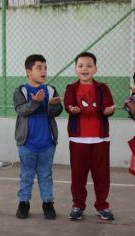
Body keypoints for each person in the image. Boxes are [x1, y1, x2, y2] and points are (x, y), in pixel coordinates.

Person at [65, 52, 115, 221]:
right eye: (80, 66)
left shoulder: (103, 88)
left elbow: (108, 106)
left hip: (100, 139)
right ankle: (78, 205)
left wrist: (109, 110)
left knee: (102, 175)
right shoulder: (71, 89)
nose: (84, 69)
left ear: (95, 69)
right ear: (75, 69)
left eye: (88, 65)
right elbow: (68, 104)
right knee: (78, 175)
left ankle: (102, 206)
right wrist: (72, 109)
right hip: (78, 140)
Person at [13, 54, 63, 220]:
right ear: (29, 71)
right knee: (26, 175)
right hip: (27, 143)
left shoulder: (50, 89)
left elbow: (56, 112)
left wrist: (54, 105)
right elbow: (21, 111)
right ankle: (23, 203)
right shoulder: (21, 90)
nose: (44, 71)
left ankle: (47, 203)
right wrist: (35, 101)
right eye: (39, 68)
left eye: (45, 68)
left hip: (47, 143)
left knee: (46, 174)